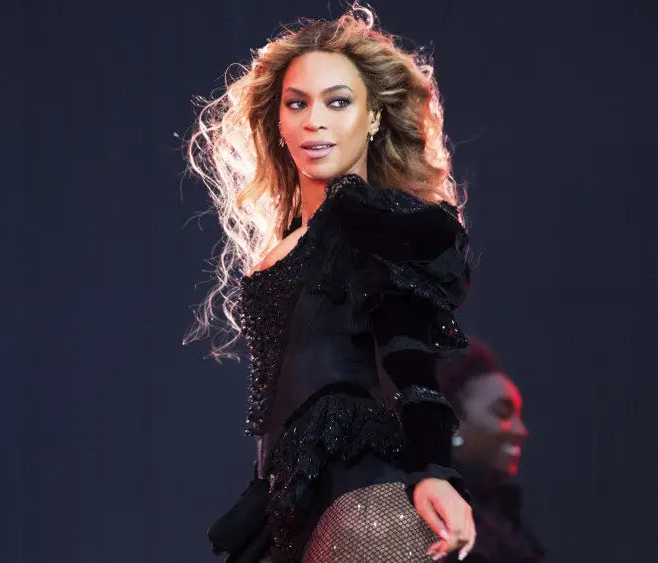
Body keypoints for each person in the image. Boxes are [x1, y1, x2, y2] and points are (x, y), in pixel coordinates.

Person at [186, 6, 476, 562]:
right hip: (293, 509)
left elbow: (409, 353)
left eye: (338, 102)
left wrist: (436, 469)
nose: (314, 120)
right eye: (297, 104)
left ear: (371, 119)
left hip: (365, 506)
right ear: (279, 120)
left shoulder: (384, 222)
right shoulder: (284, 247)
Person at [436, 340, 545, 563]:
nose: (521, 430)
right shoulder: (430, 520)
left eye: (518, 415)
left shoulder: (501, 517)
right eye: (503, 413)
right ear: (455, 422)